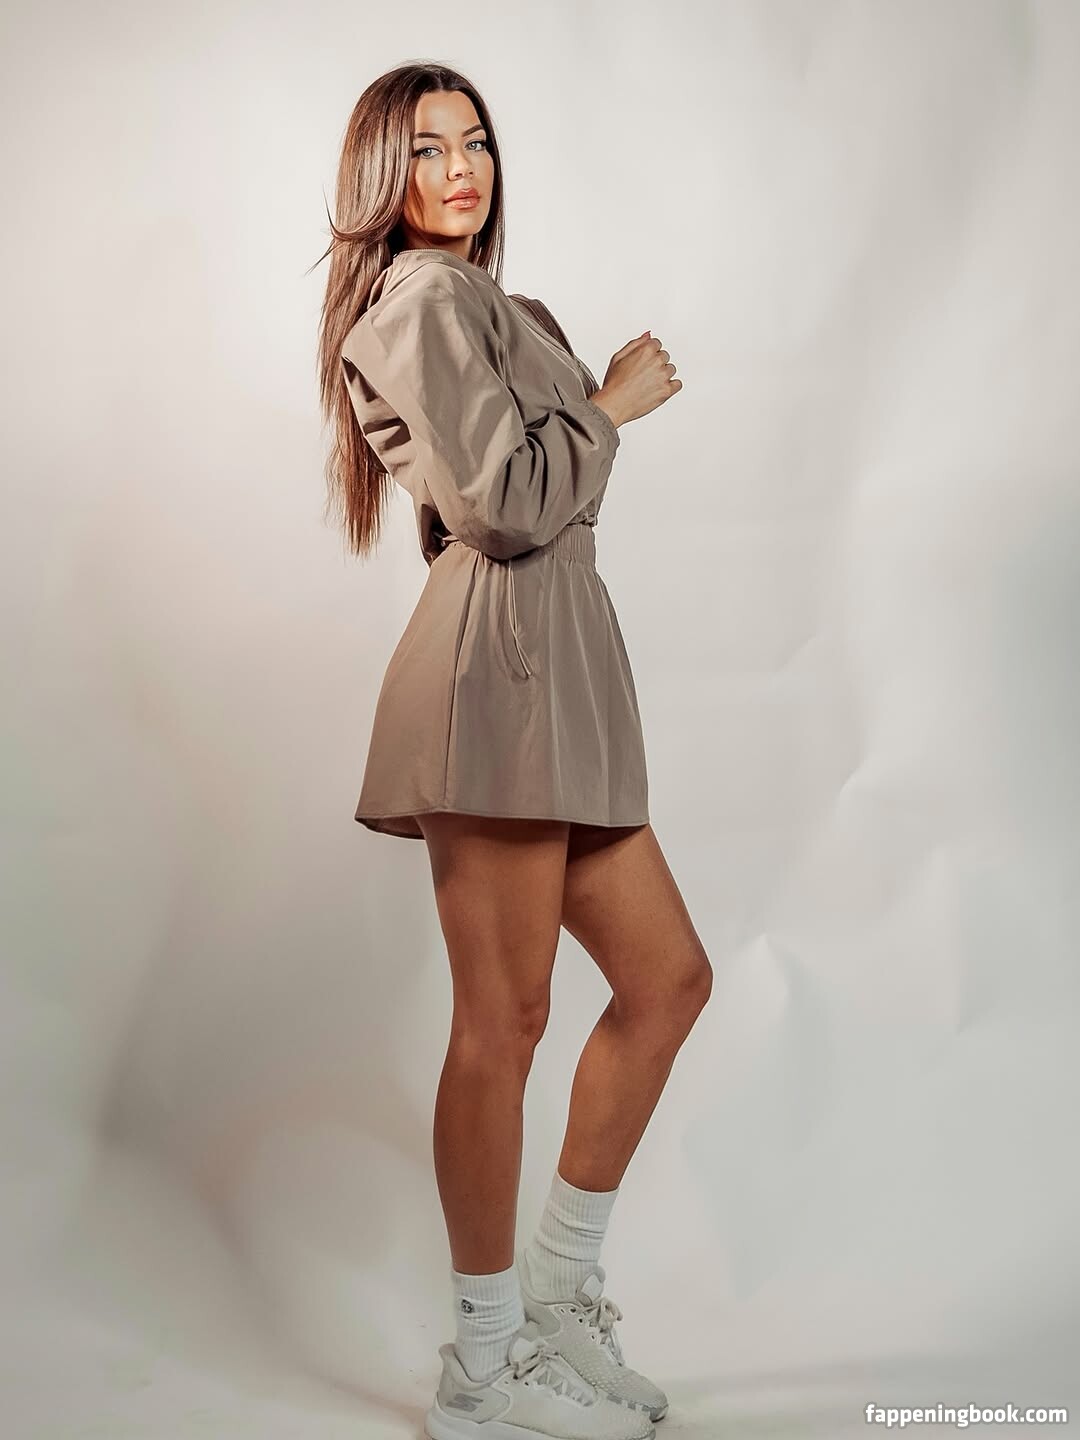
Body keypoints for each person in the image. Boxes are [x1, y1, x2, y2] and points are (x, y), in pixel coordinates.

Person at [315, 61, 713, 1440]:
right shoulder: (422, 300)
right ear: (385, 177)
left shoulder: (499, 306)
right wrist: (611, 405)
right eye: (427, 150)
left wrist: (580, 402)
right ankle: (481, 1371)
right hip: (498, 674)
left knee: (666, 982)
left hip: (558, 668)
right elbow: (501, 503)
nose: (461, 168)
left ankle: (552, 1299)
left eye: (474, 140)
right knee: (506, 1021)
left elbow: (516, 489)